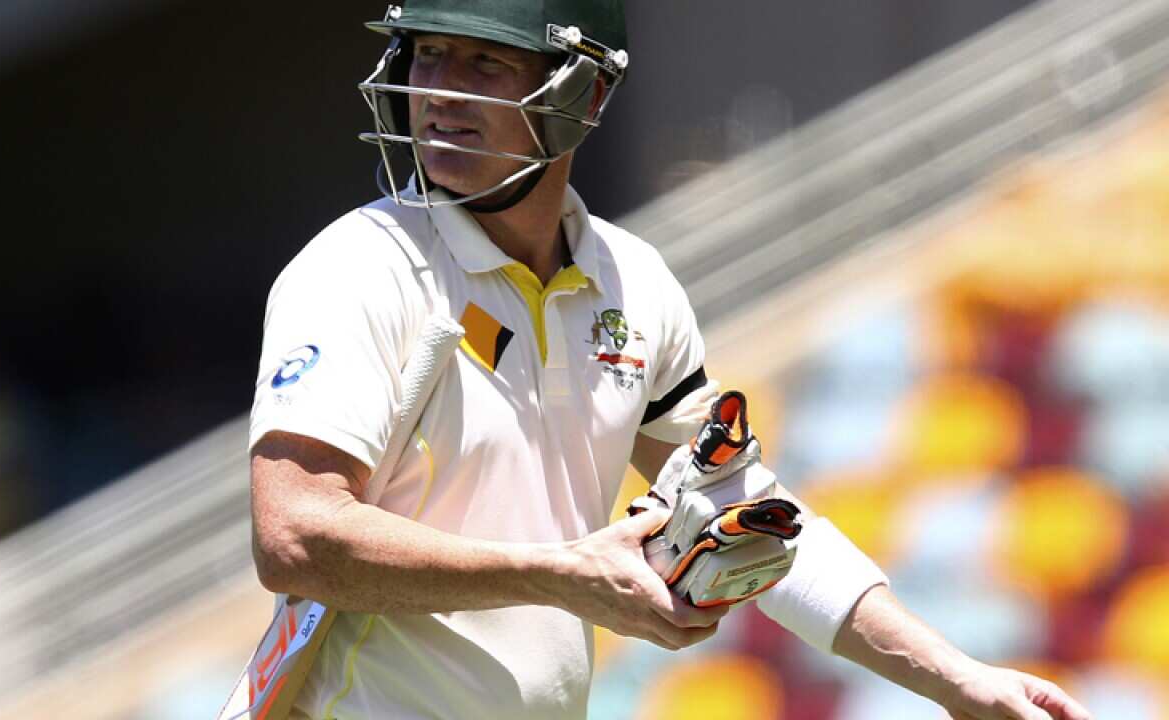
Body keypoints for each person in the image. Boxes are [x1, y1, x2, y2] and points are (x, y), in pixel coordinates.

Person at [248, 2, 1093, 719]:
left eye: (486, 63)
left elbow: (751, 516)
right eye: (428, 56)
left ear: (585, 90)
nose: (439, 95)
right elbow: (291, 534)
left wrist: (958, 683)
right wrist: (560, 575)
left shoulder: (633, 283)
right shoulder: (361, 265)